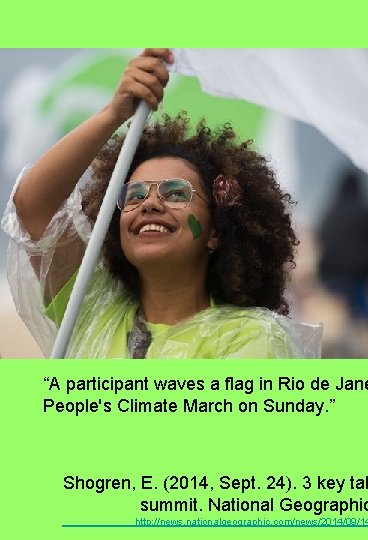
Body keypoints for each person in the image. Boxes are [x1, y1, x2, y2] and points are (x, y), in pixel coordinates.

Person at [1, 49, 321, 358]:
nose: (150, 203)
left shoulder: (253, 337)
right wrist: (113, 114)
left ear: (216, 231)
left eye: (176, 193)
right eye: (135, 194)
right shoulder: (89, 306)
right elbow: (32, 206)